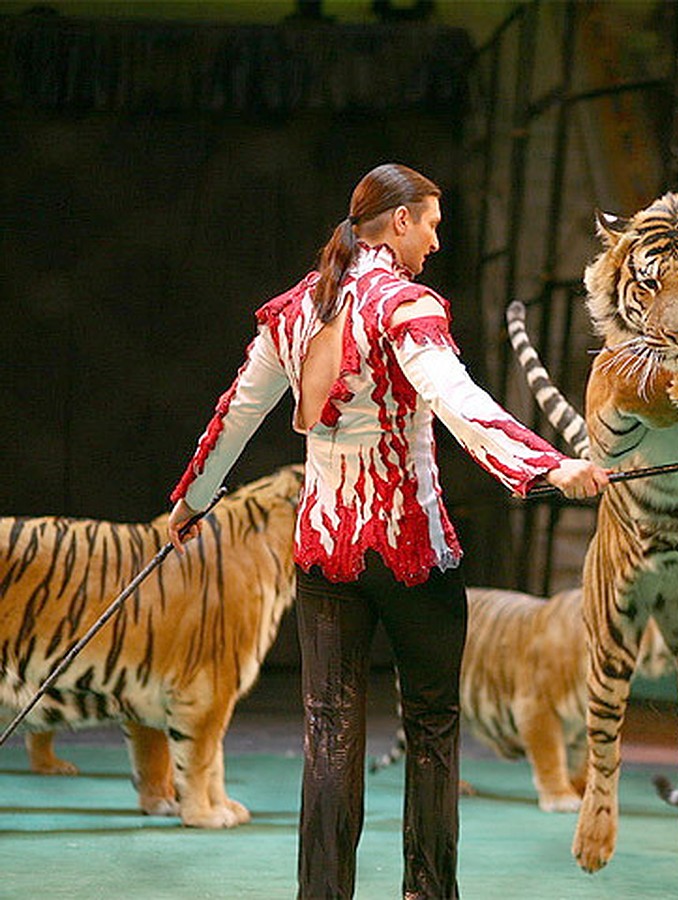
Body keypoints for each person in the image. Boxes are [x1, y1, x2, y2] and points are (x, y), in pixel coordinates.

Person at [166, 163, 608, 899]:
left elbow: (235, 414)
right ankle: (428, 893)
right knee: (432, 728)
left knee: (329, 732)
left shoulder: (296, 310)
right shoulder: (405, 306)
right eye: (430, 222)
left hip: (324, 554)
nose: (435, 240)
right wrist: (550, 467)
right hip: (413, 554)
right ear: (399, 220)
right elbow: (456, 399)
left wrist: (193, 500)